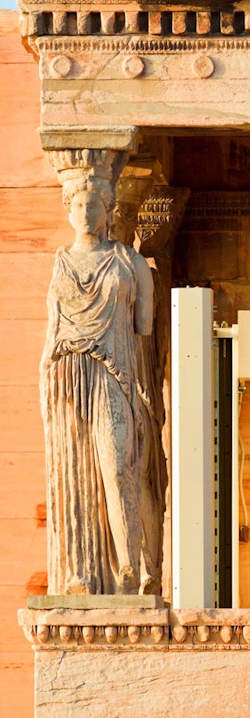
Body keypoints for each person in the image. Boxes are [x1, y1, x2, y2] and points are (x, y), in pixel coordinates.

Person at [41, 175, 154, 595]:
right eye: (78, 206)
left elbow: (145, 324)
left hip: (113, 373)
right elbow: (52, 328)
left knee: (116, 463)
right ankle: (81, 574)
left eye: (94, 206)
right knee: (74, 471)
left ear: (109, 210)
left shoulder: (130, 262)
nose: (85, 214)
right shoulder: (60, 261)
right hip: (66, 373)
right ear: (68, 210)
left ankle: (131, 566)